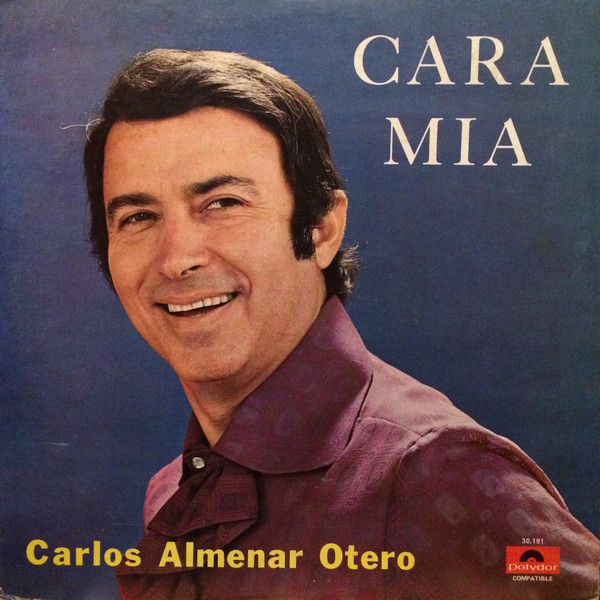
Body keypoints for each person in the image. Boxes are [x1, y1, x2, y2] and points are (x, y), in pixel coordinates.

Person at [84, 49, 599, 600]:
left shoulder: (435, 472)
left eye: (224, 203)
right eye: (139, 217)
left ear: (322, 229)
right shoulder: (172, 492)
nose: (176, 259)